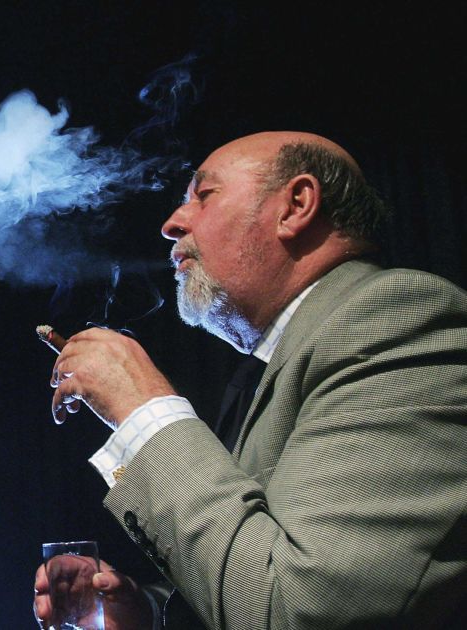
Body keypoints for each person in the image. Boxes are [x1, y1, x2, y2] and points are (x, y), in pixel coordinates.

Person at [33, 132, 466, 629]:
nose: (172, 224)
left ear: (296, 206)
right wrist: (148, 613)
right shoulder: (272, 369)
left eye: (203, 195)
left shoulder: (397, 321)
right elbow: (257, 565)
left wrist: (146, 411)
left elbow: (301, 611)